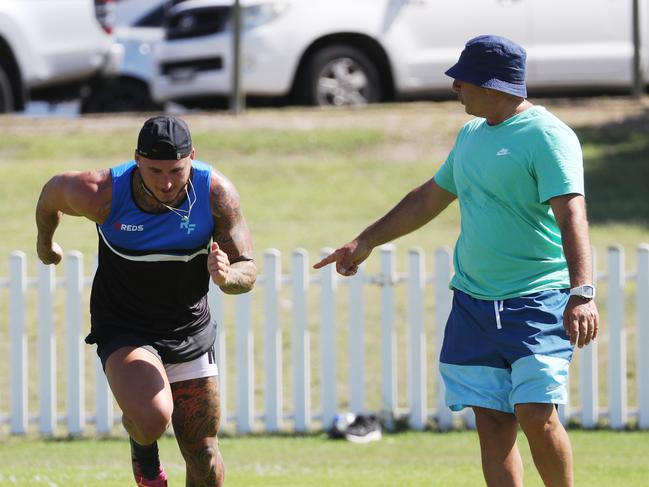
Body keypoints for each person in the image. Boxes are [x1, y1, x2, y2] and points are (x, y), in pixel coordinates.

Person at [314, 35, 599, 487]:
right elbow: (429, 198)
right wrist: (364, 242)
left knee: (535, 414)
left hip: (538, 300)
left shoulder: (549, 136)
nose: (455, 89)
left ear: (492, 84)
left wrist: (582, 292)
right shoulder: (470, 136)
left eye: (462, 80)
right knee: (492, 425)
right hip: (474, 305)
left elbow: (573, 213)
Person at [36, 115, 256, 487]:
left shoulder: (215, 193)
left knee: (203, 455)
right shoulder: (102, 192)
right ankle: (143, 448)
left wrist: (226, 276)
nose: (167, 182)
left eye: (176, 170)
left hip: (189, 328)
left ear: (193, 158)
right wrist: (45, 245)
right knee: (154, 418)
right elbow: (51, 194)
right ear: (136, 159)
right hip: (125, 326)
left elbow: (247, 270)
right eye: (155, 171)